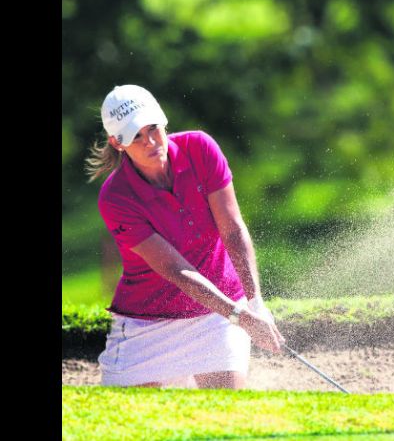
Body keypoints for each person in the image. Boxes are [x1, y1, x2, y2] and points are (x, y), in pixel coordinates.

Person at [85, 84, 284, 389]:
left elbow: (232, 229)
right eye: (136, 136)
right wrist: (242, 318)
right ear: (117, 142)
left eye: (153, 128)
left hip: (217, 314)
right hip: (148, 324)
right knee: (133, 427)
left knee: (226, 415)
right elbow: (175, 269)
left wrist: (255, 304)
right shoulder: (115, 197)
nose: (151, 141)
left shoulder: (200, 149)